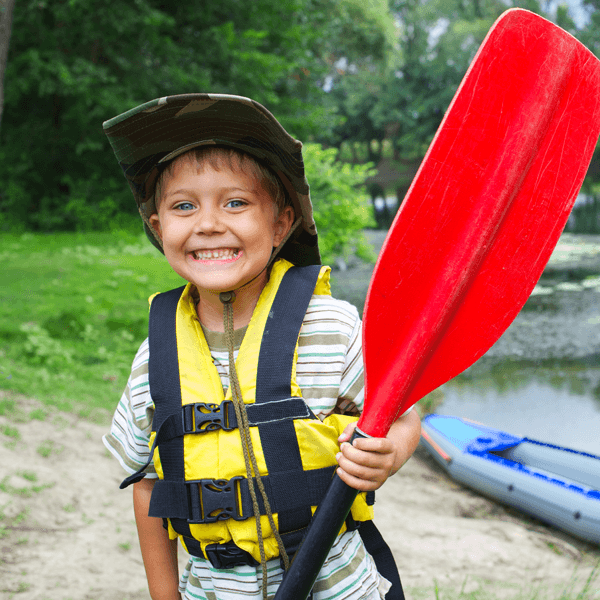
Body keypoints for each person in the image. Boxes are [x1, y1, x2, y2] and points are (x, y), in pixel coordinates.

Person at [102, 93, 421, 600]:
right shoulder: (155, 358)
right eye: (184, 206)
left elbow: (403, 414)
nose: (207, 223)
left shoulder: (333, 328)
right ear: (158, 228)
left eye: (236, 202)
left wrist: (393, 453)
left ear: (281, 223)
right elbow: (145, 485)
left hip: (340, 586)